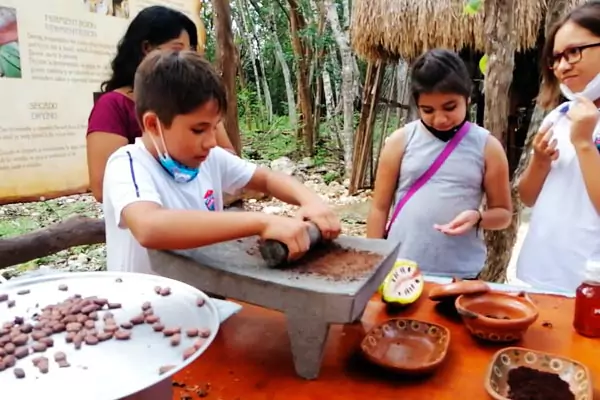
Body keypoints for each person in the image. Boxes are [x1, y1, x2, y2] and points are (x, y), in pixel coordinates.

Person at [104, 49, 341, 400]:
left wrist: (312, 201)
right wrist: (260, 222)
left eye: (214, 127)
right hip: (141, 325)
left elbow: (266, 178)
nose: (211, 141)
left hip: (199, 313)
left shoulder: (208, 158)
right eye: (199, 129)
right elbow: (150, 227)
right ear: (154, 125)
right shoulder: (128, 165)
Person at [366, 49, 512, 278]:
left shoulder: (488, 147)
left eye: (450, 107)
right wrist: (373, 265)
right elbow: (379, 208)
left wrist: (479, 218)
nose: (440, 119)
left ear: (468, 98)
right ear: (417, 105)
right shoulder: (400, 142)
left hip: (461, 273)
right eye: (428, 110)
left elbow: (503, 215)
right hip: (400, 269)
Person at [86, 5, 235, 203]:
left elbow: (228, 157)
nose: (184, 58)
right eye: (177, 49)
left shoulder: (195, 102)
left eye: (190, 51)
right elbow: (102, 186)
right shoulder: (113, 106)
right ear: (146, 48)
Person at [516, 1, 600, 292]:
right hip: (540, 272)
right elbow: (526, 197)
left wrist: (584, 144)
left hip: (590, 284)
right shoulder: (558, 117)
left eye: (574, 52)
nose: (563, 67)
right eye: (556, 58)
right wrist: (540, 162)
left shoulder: (579, 128)